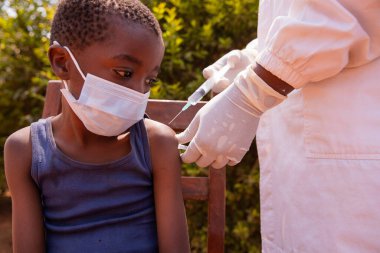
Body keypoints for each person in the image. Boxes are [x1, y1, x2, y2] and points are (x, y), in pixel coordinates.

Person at [177, 0, 380, 252]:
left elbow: (346, 12)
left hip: (353, 153)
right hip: (313, 163)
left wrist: (255, 89)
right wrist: (258, 56)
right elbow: (304, 13)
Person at [4, 0, 190, 252]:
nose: (138, 92)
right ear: (62, 62)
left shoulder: (157, 143)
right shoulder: (25, 150)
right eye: (124, 73)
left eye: (150, 80)